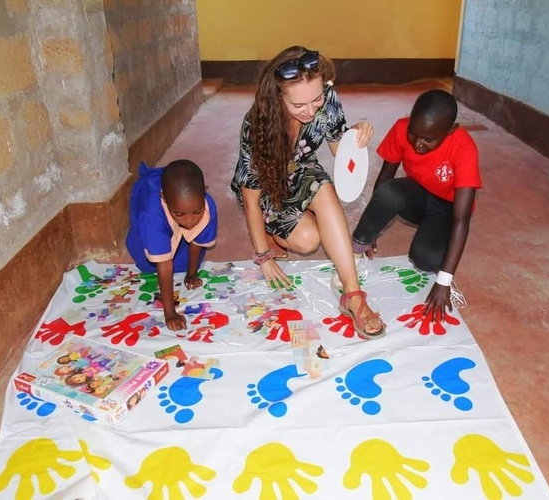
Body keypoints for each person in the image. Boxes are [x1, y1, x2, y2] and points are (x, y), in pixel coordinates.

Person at [230, 46, 385, 339]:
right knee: (308, 240)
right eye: (299, 105)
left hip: (301, 170)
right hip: (267, 188)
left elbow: (343, 158)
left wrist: (356, 136)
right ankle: (276, 233)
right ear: (278, 97)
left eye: (316, 99)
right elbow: (250, 198)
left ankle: (353, 296)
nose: (311, 110)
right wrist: (263, 255)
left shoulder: (325, 100)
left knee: (324, 188)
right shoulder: (257, 123)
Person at [351, 89, 481, 322]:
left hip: (447, 209)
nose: (418, 144)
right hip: (419, 194)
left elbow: (462, 219)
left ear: (450, 131)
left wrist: (443, 281)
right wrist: (371, 227)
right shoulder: (401, 129)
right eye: (414, 134)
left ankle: (433, 234)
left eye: (428, 139)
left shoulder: (464, 148)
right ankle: (355, 252)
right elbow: (385, 180)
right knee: (390, 192)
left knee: (426, 259)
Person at [126, 159, 218, 330]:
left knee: (182, 263)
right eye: (180, 214)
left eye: (196, 212)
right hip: (147, 205)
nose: (190, 221)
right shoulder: (150, 211)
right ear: (164, 200)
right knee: (150, 263)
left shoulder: (207, 206)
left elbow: (197, 240)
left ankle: (185, 263)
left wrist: (191, 274)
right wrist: (170, 313)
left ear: (205, 194)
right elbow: (164, 264)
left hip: (175, 202)